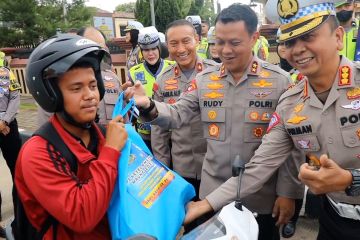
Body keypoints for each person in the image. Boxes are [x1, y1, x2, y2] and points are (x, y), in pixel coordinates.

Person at [184, 0, 360, 239]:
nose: (297, 49)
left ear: (338, 36)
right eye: (289, 41)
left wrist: (351, 179)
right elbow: (259, 166)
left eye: (308, 37)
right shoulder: (290, 103)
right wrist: (204, 204)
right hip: (334, 223)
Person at [124, 4, 303, 239]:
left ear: (254, 38)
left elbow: (292, 144)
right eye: (219, 42)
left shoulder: (280, 82)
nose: (225, 50)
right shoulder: (205, 81)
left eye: (234, 42)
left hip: (260, 198)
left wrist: (288, 192)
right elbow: (177, 114)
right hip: (212, 198)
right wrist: (147, 104)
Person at [15, 34, 128, 239]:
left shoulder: (103, 135)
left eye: (93, 86)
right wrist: (110, 152)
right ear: (52, 95)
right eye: (77, 88)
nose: (90, 95)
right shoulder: (38, 152)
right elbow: (82, 215)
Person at [151, 20, 216, 203]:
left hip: (214, 169)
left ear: (197, 40)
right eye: (173, 43)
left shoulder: (216, 73)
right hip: (182, 169)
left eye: (186, 41)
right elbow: (159, 132)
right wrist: (162, 170)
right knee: (190, 224)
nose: (180, 49)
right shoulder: (163, 80)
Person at [37, 26, 123, 127]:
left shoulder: (112, 77)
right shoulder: (58, 82)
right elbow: (48, 132)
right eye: (76, 88)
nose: (90, 95)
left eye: (100, 48)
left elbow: (124, 119)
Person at [128, 26, 173, 150]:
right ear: (141, 51)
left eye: (154, 48)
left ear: (159, 47)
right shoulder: (133, 72)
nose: (151, 53)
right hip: (145, 134)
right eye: (146, 50)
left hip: (171, 131)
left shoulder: (173, 67)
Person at [0, 55, 22, 238]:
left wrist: (4, 121)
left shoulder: (7, 73)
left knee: (18, 170)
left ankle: (20, 215)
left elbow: (15, 98)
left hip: (8, 127)